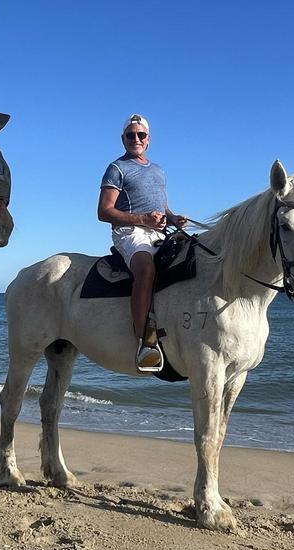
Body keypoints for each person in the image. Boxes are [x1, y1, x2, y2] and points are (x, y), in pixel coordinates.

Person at [97, 114, 187, 372]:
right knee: (146, 269)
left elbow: (162, 206)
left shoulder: (159, 170)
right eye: (130, 135)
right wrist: (143, 219)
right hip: (130, 232)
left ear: (148, 140)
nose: (136, 139)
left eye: (141, 135)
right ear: (123, 139)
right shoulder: (116, 168)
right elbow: (104, 211)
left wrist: (173, 218)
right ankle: (144, 341)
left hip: (158, 231)